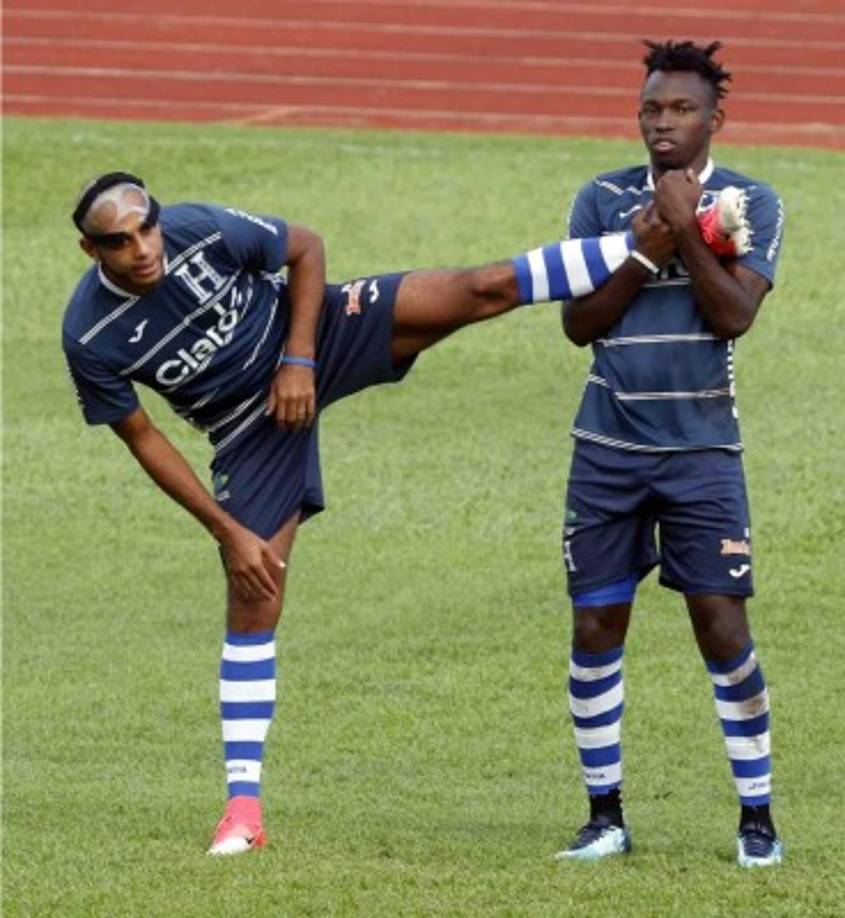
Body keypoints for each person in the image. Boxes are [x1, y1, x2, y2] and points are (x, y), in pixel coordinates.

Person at [62, 171, 741, 857]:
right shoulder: (90, 337)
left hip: (318, 334)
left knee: (482, 290)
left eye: (147, 226)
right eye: (121, 241)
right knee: (253, 592)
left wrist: (298, 357)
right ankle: (243, 812)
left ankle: (664, 237)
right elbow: (144, 439)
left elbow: (305, 249)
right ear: (94, 252)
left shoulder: (196, 229)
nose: (145, 247)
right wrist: (228, 531)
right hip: (249, 426)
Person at [554, 40, 785, 868]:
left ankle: (756, 816)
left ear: (714, 119)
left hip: (700, 454)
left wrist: (686, 230)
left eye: (680, 109)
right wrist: (648, 244)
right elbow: (579, 325)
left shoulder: (752, 202)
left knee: (720, 627)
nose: (662, 122)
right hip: (606, 450)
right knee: (594, 623)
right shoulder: (600, 199)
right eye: (651, 108)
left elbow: (733, 316)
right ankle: (603, 815)